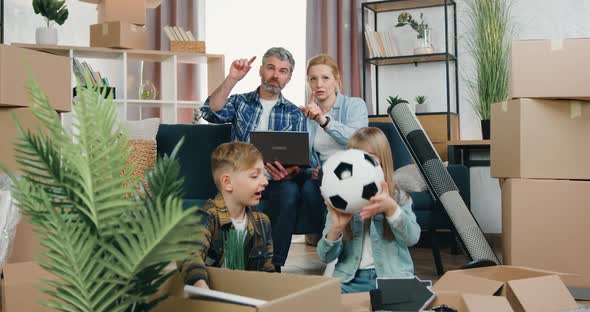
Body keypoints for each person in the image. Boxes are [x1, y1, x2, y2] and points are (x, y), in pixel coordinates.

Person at [198, 47, 305, 272]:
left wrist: (289, 172)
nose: (276, 75)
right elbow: (210, 112)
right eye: (271, 68)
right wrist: (231, 79)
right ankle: (228, 264)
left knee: (290, 192)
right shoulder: (241, 102)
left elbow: (300, 160)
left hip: (275, 181)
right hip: (240, 178)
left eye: (283, 71)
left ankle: (273, 266)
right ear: (261, 71)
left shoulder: (295, 113)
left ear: (289, 77)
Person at [266, 53, 368, 250]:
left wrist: (324, 121)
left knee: (319, 182)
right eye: (313, 79)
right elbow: (306, 158)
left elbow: (359, 140)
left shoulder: (354, 105)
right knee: (307, 187)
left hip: (353, 172)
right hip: (321, 176)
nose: (319, 84)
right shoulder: (304, 116)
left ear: (337, 80)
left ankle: (340, 248)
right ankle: (331, 246)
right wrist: (299, 170)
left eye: (325, 78)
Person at [316, 127, 421, 293]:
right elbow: (325, 256)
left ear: (382, 161)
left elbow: (412, 237)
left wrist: (391, 210)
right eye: (356, 157)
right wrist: (336, 229)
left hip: (392, 278)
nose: (360, 165)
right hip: (349, 281)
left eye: (369, 157)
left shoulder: (397, 197)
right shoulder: (340, 199)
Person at [179, 142, 274, 289]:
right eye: (255, 176)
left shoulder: (262, 222)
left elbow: (267, 273)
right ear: (227, 182)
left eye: (264, 174)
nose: (265, 181)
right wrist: (201, 287)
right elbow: (190, 255)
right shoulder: (204, 218)